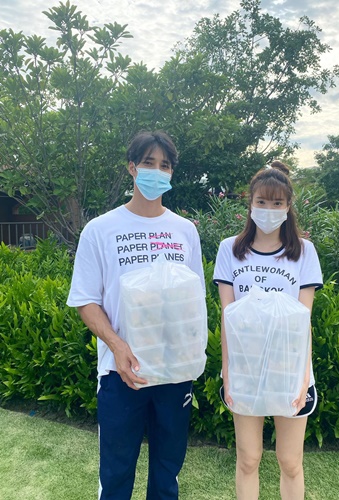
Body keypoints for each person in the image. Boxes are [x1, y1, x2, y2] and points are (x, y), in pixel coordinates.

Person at [67, 131, 205, 500]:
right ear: (132, 167)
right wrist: (117, 345)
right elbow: (85, 300)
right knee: (115, 474)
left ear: (171, 173)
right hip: (120, 372)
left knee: (167, 474)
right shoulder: (100, 230)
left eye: (165, 165)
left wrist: (193, 355)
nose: (156, 171)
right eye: (148, 163)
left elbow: (194, 302)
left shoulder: (185, 231)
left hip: (174, 373)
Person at [213, 161, 323, 500]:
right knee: (248, 459)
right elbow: (228, 317)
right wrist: (227, 372)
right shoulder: (230, 249)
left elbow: (303, 322)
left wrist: (303, 378)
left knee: (290, 461)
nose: (269, 209)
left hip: (288, 370)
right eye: (262, 201)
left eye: (277, 203)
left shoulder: (303, 252)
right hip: (245, 370)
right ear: (250, 203)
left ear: (288, 206)